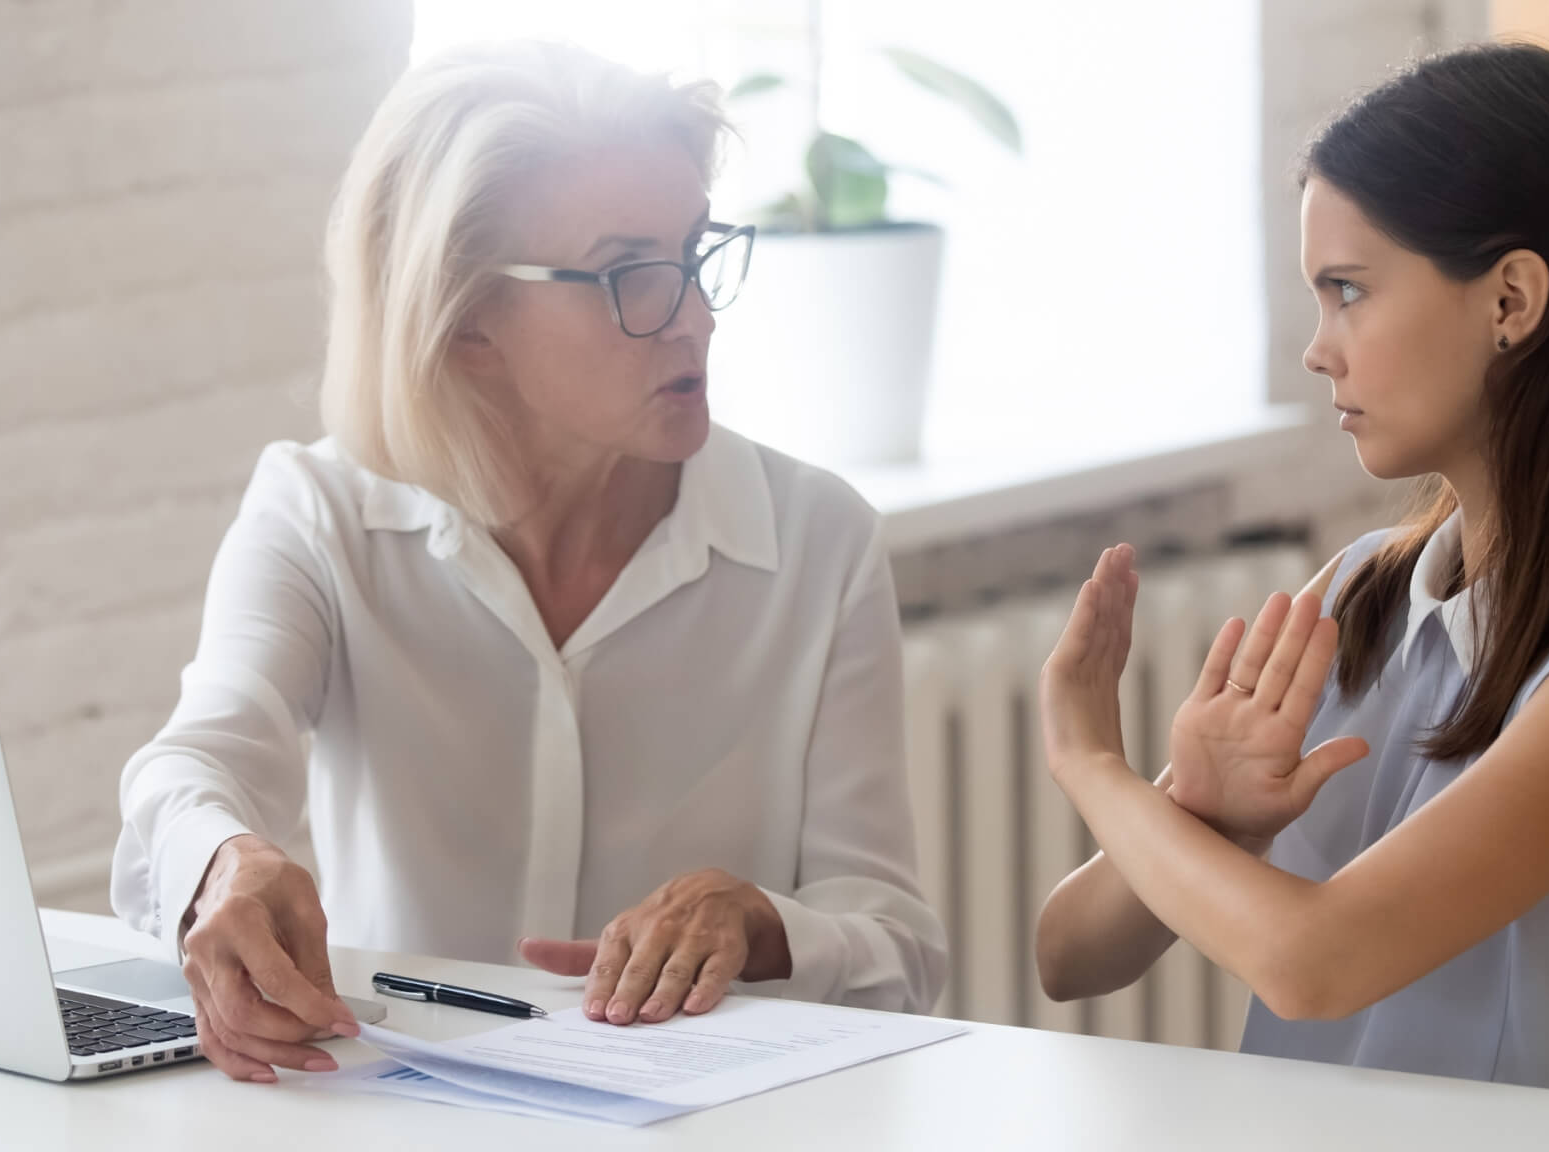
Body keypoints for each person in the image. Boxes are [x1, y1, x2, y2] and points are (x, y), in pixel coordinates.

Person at [110, 40, 946, 1084]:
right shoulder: (322, 514)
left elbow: (900, 954)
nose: (695, 316)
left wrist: (763, 924)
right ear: (467, 322)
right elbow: (193, 765)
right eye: (630, 273)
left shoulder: (818, 539)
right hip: (396, 1114)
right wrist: (225, 862)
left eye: (694, 252)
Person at [1033, 42, 1549, 1104]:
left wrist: (1089, 762)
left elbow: (1312, 964)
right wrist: (1205, 815)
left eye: (1347, 291)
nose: (1316, 349)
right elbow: (1068, 958)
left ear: (1509, 300)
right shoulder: (1360, 594)